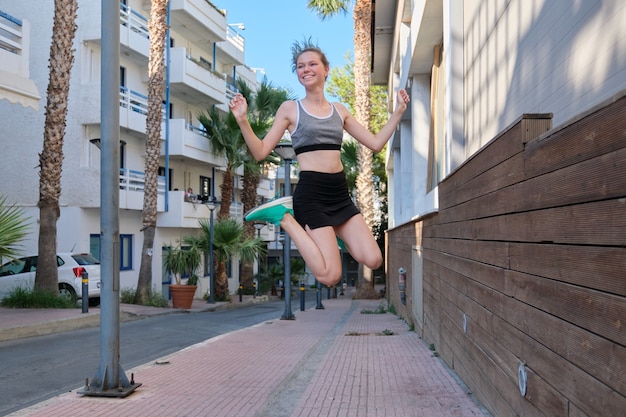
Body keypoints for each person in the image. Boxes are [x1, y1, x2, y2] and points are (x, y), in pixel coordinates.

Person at [229, 42, 409, 287]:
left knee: (374, 258)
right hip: (312, 195)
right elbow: (260, 152)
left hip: (339, 194)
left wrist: (398, 112)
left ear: (326, 69)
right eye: (300, 66)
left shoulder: (339, 110)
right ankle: (285, 219)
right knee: (330, 276)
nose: (306, 69)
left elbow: (376, 143)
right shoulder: (291, 109)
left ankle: (334, 232)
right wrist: (242, 120)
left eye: (312, 64)